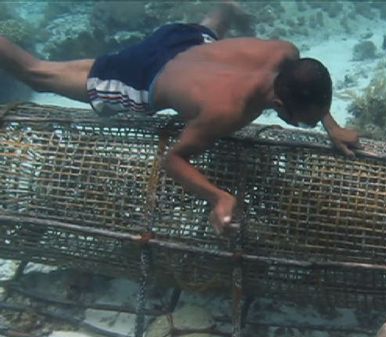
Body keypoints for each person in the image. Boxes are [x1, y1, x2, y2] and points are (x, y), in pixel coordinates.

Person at [0, 1, 360, 234]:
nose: (309, 125)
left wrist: (333, 127)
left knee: (209, 29)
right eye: (304, 123)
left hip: (185, 40)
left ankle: (225, 9)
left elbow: (307, 87)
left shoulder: (285, 54)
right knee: (38, 73)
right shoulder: (227, 112)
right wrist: (217, 197)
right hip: (144, 75)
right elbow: (173, 159)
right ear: (280, 105)